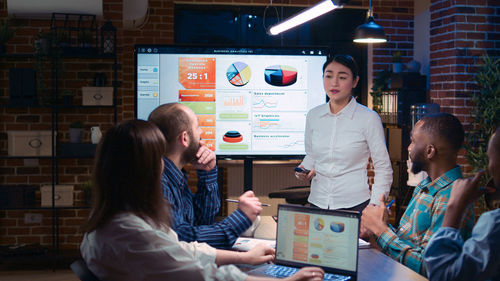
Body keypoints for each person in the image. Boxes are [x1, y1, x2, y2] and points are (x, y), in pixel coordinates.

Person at [80, 119, 325, 281]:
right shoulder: (129, 231)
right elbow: (201, 272)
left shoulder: (120, 217)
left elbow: (182, 246)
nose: (161, 166)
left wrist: (244, 257)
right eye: (157, 158)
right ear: (143, 167)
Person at [361, 112, 475, 276]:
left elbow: (428, 268)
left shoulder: (451, 197)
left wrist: (381, 230)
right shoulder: (425, 186)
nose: (409, 148)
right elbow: (408, 244)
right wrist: (376, 228)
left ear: (430, 151)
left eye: (413, 141)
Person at [148, 103, 262, 249]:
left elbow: (202, 221)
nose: (201, 132)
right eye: (197, 127)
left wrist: (207, 172)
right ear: (184, 138)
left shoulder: (176, 176)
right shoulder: (159, 181)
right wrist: (241, 218)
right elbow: (181, 239)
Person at [296, 54, 393, 212]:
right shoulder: (313, 116)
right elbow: (312, 155)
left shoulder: (368, 118)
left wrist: (375, 206)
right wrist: (303, 170)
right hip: (317, 202)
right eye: (328, 76)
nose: (334, 83)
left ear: (355, 81)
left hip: (354, 204)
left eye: (342, 77)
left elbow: (383, 167)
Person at [424, 126, 500, 281]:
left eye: (490, 159)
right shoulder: (422, 188)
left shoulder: (495, 224)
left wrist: (454, 208)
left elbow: (442, 275)